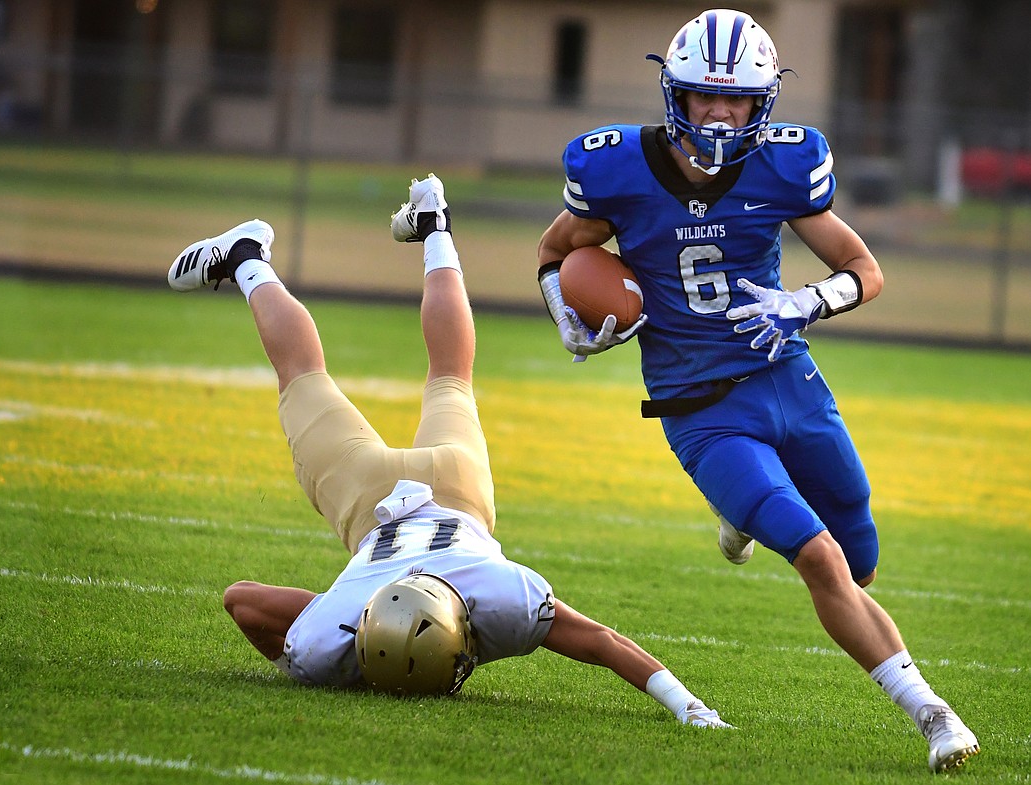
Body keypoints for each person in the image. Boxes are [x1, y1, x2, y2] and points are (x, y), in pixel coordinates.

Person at [534, 8, 979, 773]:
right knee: (821, 559)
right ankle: (932, 712)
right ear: (674, 93)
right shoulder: (614, 168)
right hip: (702, 408)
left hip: (789, 377)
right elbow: (554, 252)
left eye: (735, 98)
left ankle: (737, 518)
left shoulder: (785, 164)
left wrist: (804, 301)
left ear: (761, 104)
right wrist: (564, 313)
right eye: (704, 95)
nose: (717, 112)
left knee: (861, 558)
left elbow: (865, 271)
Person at [167, 174, 731, 726]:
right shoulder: (344, 629)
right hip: (391, 501)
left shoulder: (486, 601)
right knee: (370, 376)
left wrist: (687, 705)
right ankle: (282, 251)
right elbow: (242, 600)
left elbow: (602, 643)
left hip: (440, 496)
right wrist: (333, 613)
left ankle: (391, 231)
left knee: (419, 374)